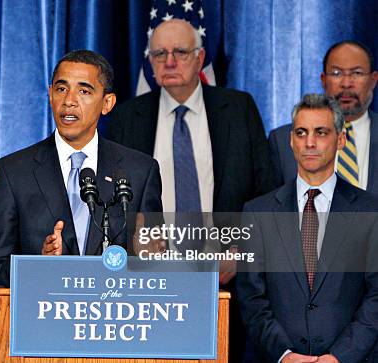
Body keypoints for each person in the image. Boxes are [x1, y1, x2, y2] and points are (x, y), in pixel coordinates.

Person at [107, 19, 275, 362]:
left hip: (226, 283)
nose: (169, 62)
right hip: (152, 286)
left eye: (180, 52)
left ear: (199, 59)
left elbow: (268, 193)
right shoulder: (128, 117)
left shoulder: (238, 108)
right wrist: (134, 238)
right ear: (151, 63)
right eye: (160, 54)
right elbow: (113, 199)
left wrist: (241, 251)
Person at [0, 50, 163, 294]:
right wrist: (37, 265)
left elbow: (156, 264)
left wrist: (148, 258)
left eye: (84, 91)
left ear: (107, 103)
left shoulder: (139, 171)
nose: (69, 101)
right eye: (61, 89)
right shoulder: (13, 173)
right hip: (44, 321)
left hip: (114, 323)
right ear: (50, 93)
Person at [237, 93, 378, 363]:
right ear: (291, 140)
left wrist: (338, 357)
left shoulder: (370, 211)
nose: (310, 142)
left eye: (321, 132)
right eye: (301, 132)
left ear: (341, 140)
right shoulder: (258, 211)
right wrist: (285, 354)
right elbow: (251, 297)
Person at [269, 40, 378, 190]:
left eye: (357, 73)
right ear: (323, 80)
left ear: (373, 80)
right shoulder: (281, 141)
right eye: (336, 73)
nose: (346, 83)